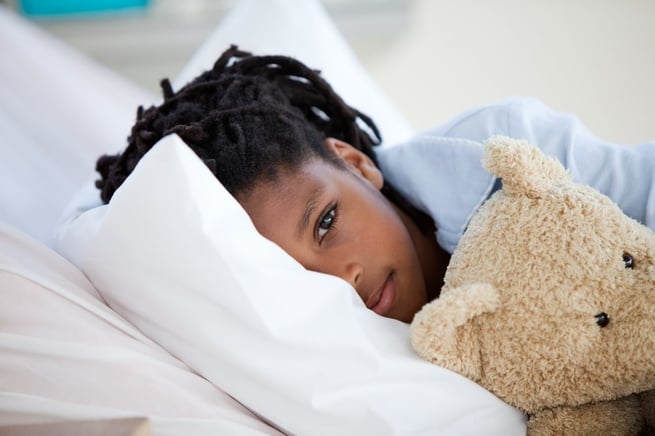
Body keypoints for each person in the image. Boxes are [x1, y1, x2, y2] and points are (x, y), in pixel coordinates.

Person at [95, 45, 655, 324]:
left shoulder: (500, 151)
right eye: (295, 277)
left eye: (326, 223)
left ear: (356, 164)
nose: (341, 281)